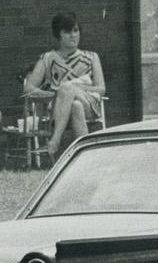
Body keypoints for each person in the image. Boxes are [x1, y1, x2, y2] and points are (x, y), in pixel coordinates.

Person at [23, 10, 107, 158]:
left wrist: (73, 88)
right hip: (57, 107)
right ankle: (87, 157)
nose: (73, 35)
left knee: (68, 89)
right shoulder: (48, 58)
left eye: (76, 30)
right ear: (58, 34)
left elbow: (101, 89)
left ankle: (55, 140)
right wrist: (57, 95)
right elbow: (28, 88)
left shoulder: (92, 57)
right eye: (68, 31)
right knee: (75, 106)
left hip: (89, 102)